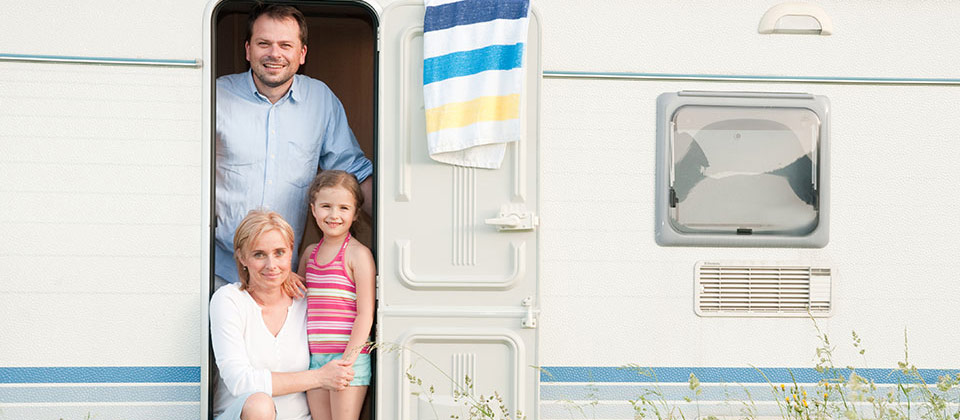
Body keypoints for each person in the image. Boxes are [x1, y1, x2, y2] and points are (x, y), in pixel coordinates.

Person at [215, 3, 373, 289]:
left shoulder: (320, 99)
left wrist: (402, 224)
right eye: (264, 43)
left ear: (301, 54)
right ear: (248, 49)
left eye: (285, 45)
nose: (275, 53)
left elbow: (353, 174)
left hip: (284, 274)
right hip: (220, 270)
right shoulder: (216, 96)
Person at [210, 210, 356, 420]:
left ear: (290, 252)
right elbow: (240, 382)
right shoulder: (229, 300)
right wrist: (319, 377)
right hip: (243, 415)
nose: (272, 265)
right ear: (242, 257)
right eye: (259, 254)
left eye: (279, 252)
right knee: (259, 403)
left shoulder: (305, 302)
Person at [297, 171, 375, 420]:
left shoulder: (358, 255)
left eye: (343, 208)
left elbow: (365, 314)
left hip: (347, 359)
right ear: (313, 209)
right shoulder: (309, 254)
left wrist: (347, 361)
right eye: (326, 206)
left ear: (355, 214)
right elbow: (298, 300)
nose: (334, 215)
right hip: (316, 359)